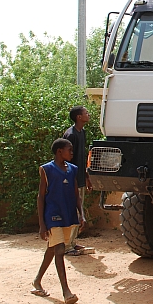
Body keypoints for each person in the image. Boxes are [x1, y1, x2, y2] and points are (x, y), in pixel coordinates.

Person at [31, 138, 84, 304]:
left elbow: (76, 194)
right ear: (60, 151)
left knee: (53, 248)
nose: (72, 153)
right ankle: (66, 292)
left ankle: (37, 281)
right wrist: (42, 224)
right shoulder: (47, 170)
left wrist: (81, 214)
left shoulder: (72, 170)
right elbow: (41, 197)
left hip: (68, 215)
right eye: (70, 150)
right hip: (53, 215)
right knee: (60, 249)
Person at [63, 105, 92, 256]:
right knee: (73, 212)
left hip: (80, 178)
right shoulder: (71, 135)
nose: (88, 114)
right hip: (72, 180)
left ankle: (72, 242)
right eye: (85, 113)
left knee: (78, 211)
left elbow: (82, 157)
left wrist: (86, 177)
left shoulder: (82, 133)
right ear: (79, 117)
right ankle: (67, 246)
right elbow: (65, 159)